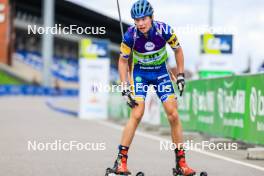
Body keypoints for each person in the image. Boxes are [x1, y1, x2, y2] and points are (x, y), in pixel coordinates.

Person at [109, 0, 196, 175]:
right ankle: (120, 162)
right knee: (138, 113)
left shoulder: (164, 30)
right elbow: (123, 61)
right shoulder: (130, 36)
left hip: (161, 73)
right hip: (140, 74)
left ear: (151, 17)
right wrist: (124, 86)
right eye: (137, 20)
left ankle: (181, 163)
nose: (140, 23)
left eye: (144, 19)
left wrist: (180, 75)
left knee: (173, 113)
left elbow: (178, 51)